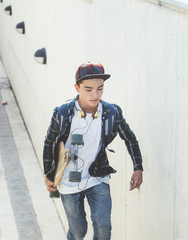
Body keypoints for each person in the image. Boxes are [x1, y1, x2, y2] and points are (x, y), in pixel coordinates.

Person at [43, 62, 143, 240]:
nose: (95, 95)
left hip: (97, 176)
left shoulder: (112, 113)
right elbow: (49, 141)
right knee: (78, 231)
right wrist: (48, 174)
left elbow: (130, 139)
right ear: (77, 88)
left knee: (104, 228)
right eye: (88, 89)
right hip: (68, 181)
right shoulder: (63, 113)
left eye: (100, 89)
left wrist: (138, 167)